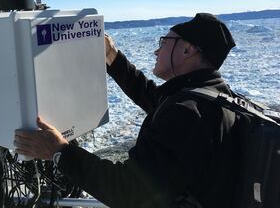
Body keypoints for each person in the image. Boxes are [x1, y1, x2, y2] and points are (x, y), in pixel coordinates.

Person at [14, 13, 237, 208]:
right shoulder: (213, 96)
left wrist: (60, 151)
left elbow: (130, 192)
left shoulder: (186, 113)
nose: (156, 50)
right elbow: (152, 96)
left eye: (165, 42)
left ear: (187, 49)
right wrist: (112, 57)